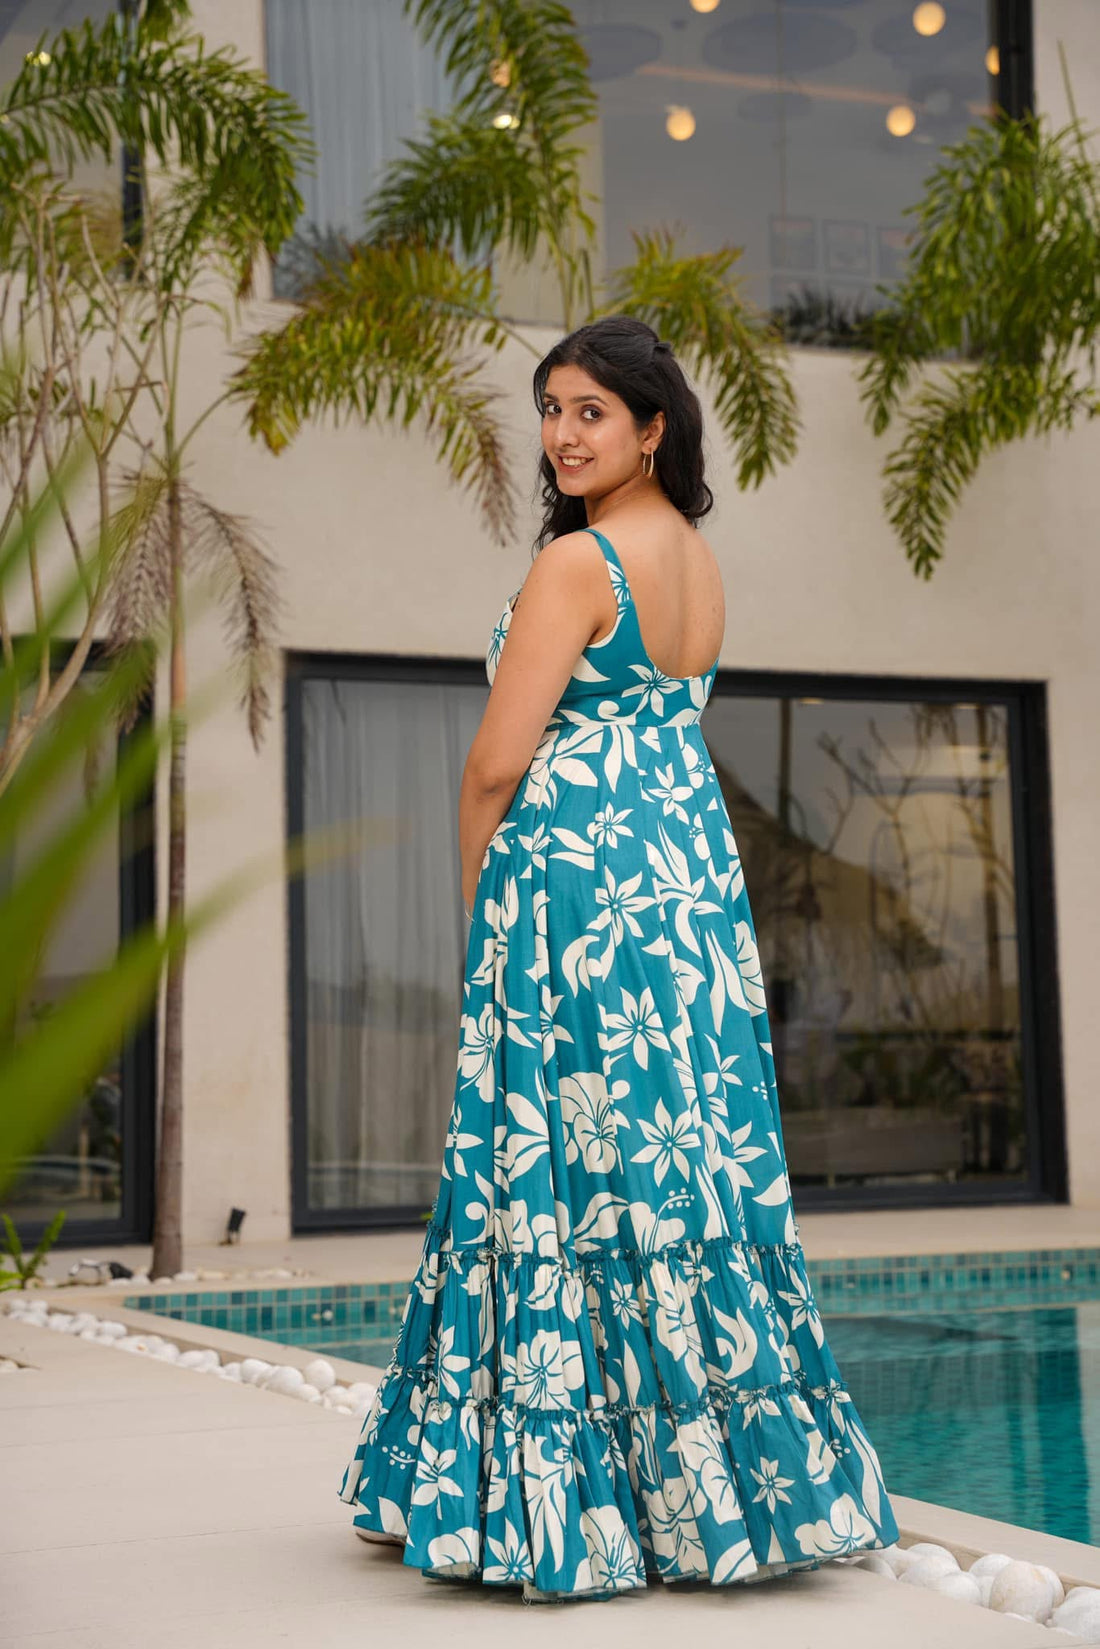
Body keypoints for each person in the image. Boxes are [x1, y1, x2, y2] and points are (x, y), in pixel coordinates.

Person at [338, 315, 900, 1603]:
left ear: (653, 429)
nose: (562, 433)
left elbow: (494, 765)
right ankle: (709, 1495)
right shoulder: (698, 562)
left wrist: (479, 917)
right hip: (681, 897)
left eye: (591, 411)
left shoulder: (578, 565)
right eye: (550, 409)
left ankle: (538, 1499)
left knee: (550, 1168)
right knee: (676, 1165)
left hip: (575, 894)